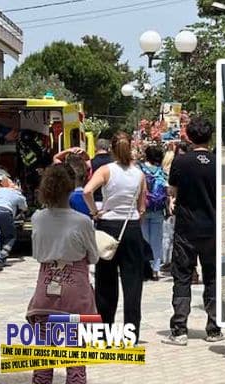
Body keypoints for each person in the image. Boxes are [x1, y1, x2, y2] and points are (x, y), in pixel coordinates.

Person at [27, 164, 98, 384]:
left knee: (43, 360)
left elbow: (37, 254)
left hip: (46, 288)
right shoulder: (82, 221)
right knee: (75, 361)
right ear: (72, 187)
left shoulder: (37, 218)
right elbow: (94, 256)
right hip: (75, 293)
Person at [162, 118, 222, 346]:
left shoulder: (181, 161)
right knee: (212, 277)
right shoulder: (217, 162)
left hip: (186, 228)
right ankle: (214, 328)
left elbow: (172, 190)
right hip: (212, 227)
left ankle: (179, 329)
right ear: (210, 136)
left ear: (188, 136)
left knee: (182, 277)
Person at [83, 132, 146, 343]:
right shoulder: (139, 174)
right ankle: (131, 334)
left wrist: (95, 212)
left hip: (108, 225)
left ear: (112, 149)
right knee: (133, 284)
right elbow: (142, 207)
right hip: (131, 225)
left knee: (105, 282)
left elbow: (87, 191)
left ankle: (104, 331)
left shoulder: (105, 170)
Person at [0, 173, 26, 272]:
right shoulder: (17, 194)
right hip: (4, 211)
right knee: (11, 236)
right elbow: (24, 208)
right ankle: (2, 257)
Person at [140, 145, 169, 281]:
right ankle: (155, 270)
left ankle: (145, 268)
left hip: (142, 209)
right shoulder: (161, 171)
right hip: (158, 210)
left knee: (144, 240)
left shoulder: (139, 169)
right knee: (156, 241)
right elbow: (167, 190)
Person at [89, 138, 113, 206]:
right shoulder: (114, 162)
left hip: (96, 200)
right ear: (108, 148)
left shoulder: (90, 163)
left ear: (96, 148)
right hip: (111, 200)